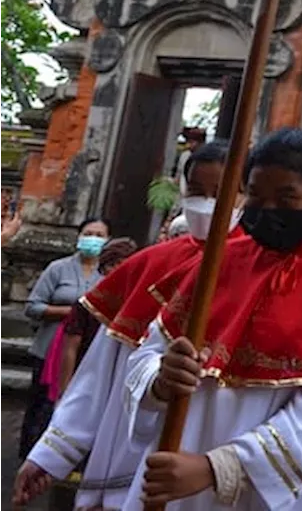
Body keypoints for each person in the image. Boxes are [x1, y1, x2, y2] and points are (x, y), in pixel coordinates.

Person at [118, 128, 302, 509]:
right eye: (255, 194)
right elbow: (148, 354)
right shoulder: (217, 261)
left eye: (286, 197)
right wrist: (161, 378)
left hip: (279, 488)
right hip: (179, 461)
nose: (266, 209)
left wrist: (214, 468)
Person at [14, 142, 237, 511]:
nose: (208, 203)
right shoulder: (151, 264)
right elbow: (99, 371)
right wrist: (52, 453)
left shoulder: (262, 275)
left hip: (202, 470)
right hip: (122, 455)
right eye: (197, 192)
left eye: (222, 193)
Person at [18, 217, 109, 458]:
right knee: (39, 405)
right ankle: (30, 453)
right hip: (48, 350)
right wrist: (71, 314)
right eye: (89, 233)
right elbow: (33, 307)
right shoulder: (58, 268)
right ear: (79, 237)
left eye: (99, 235)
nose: (93, 239)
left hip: (85, 354)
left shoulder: (108, 275)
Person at [57, 237, 138, 395]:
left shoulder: (137, 305)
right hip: (86, 374)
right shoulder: (87, 304)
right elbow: (70, 348)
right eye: (115, 265)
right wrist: (64, 391)